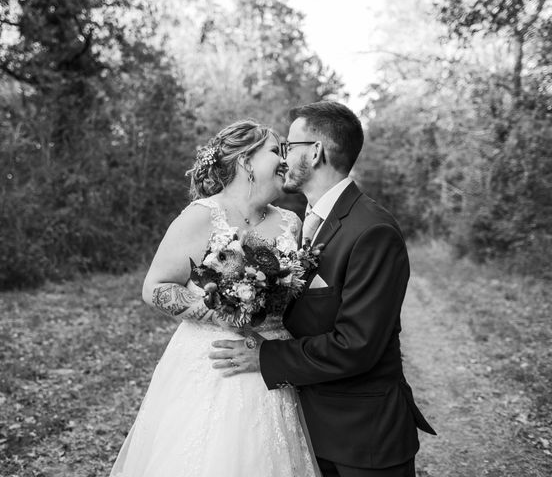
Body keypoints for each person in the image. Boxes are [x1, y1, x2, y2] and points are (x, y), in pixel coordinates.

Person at [210, 102, 436, 477]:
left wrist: (267, 358)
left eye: (289, 146)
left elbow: (356, 345)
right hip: (308, 430)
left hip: (363, 441)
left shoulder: (372, 230)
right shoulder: (306, 224)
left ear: (315, 152)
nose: (283, 159)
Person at [109, 120, 322, 477]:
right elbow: (155, 287)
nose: (284, 160)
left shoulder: (291, 222)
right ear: (246, 161)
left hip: (270, 360)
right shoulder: (203, 215)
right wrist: (219, 312)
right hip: (213, 362)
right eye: (275, 151)